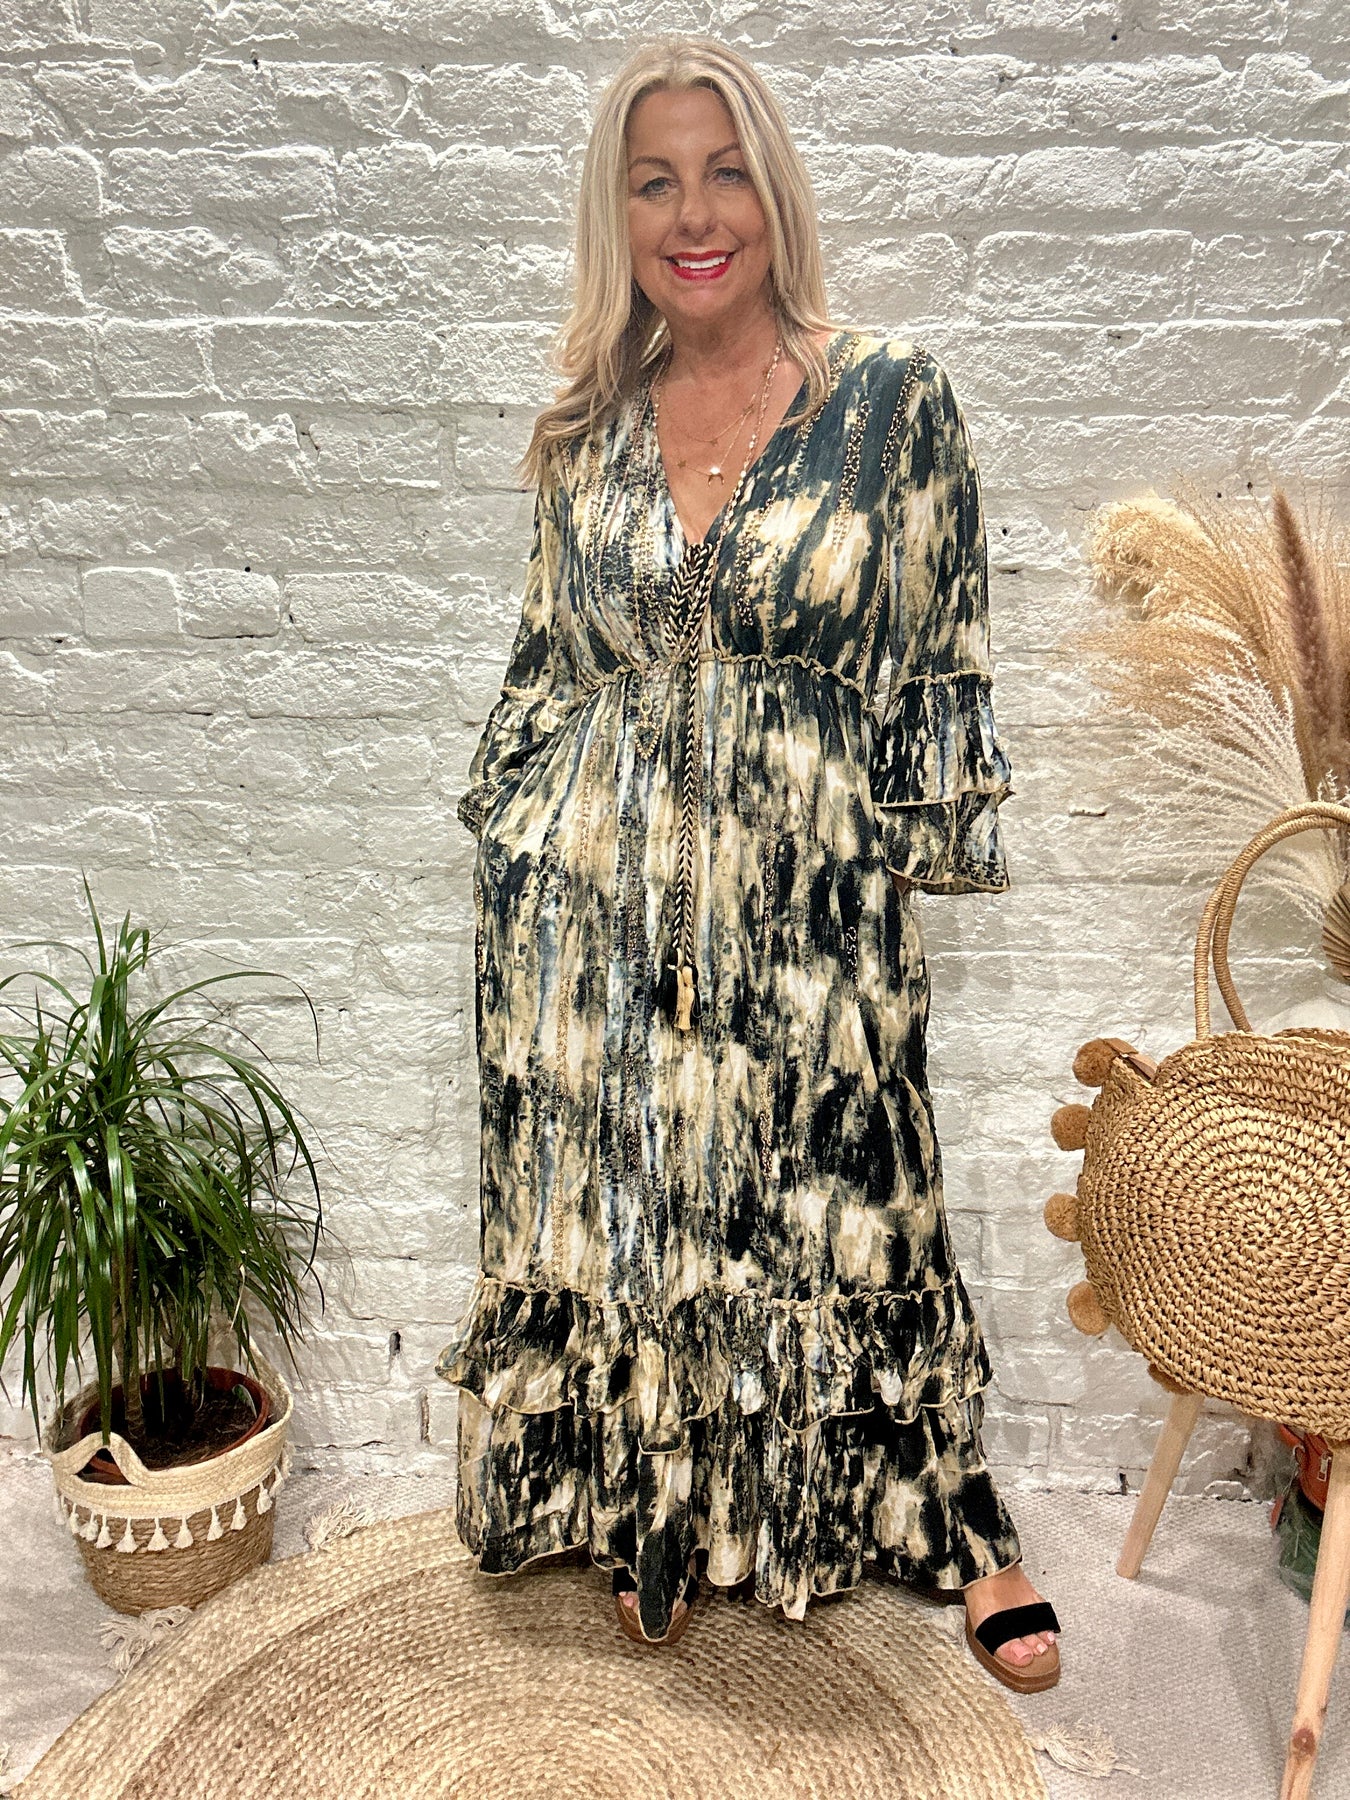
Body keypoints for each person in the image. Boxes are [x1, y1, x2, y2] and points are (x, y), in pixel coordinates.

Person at [436, 32, 1062, 1693]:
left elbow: (939, 651)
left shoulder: (889, 398)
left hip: (810, 904)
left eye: (724, 173)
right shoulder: (586, 426)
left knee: (857, 1198)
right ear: (618, 215)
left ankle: (955, 1519)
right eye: (653, 182)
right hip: (596, 912)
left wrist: (894, 875)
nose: (693, 215)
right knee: (641, 1208)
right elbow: (547, 667)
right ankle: (657, 1500)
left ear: (773, 192)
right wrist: (515, 868)